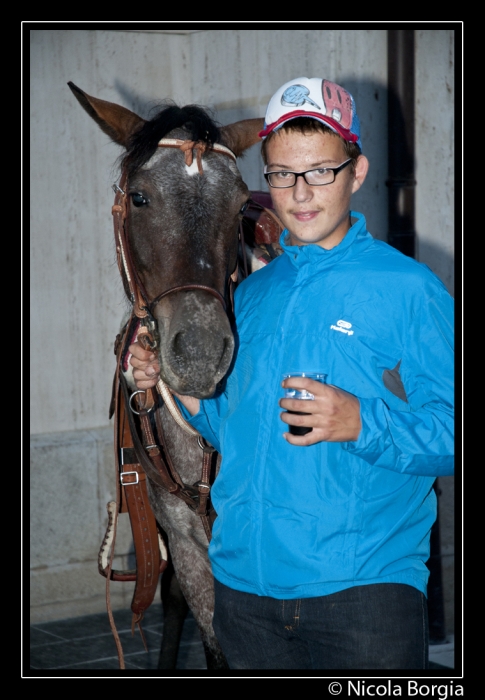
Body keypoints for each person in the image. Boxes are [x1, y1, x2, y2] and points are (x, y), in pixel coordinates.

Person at [129, 77, 454, 670]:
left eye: (319, 172)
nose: (300, 194)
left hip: (363, 597)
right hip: (245, 597)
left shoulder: (409, 289)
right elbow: (235, 431)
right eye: (281, 174)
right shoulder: (252, 296)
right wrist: (170, 382)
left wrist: (362, 421)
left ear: (356, 173)